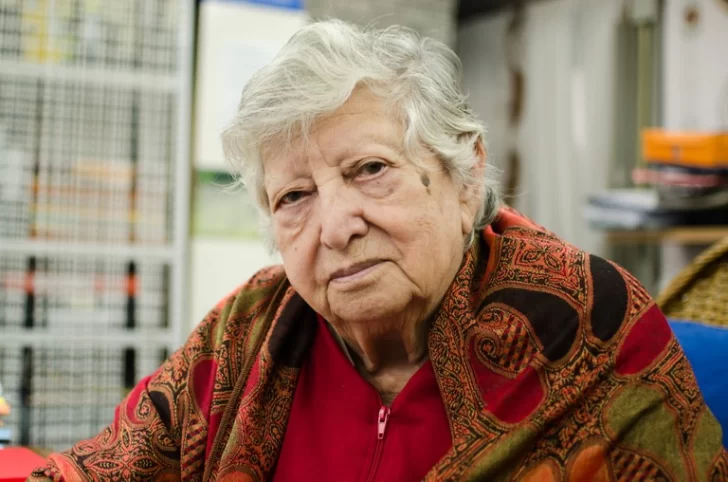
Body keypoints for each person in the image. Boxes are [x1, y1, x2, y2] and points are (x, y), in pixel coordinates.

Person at [31, 20, 727, 482]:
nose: (336, 227)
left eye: (370, 170)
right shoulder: (243, 335)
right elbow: (103, 468)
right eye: (294, 197)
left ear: (465, 178)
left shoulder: (586, 320)